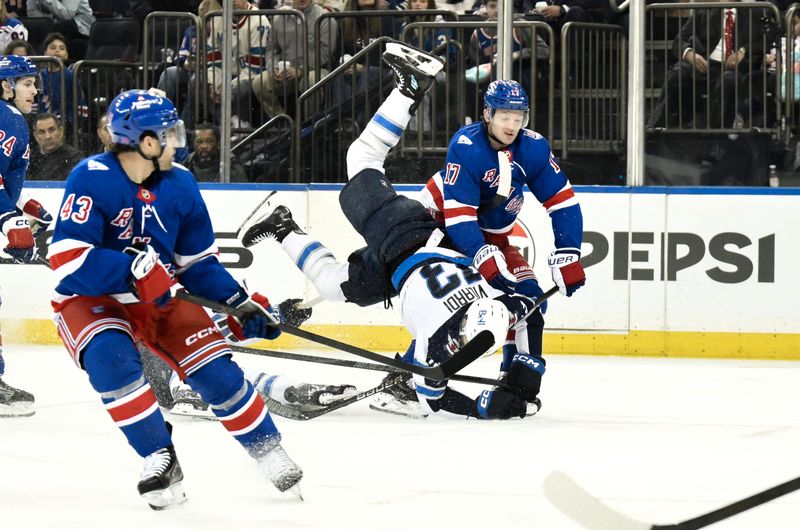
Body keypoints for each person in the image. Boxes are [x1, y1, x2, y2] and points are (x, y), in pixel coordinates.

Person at [241, 43, 552, 421]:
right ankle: (409, 87)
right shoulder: (449, 330)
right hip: (405, 234)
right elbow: (436, 395)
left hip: (403, 266)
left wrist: (515, 385)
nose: (462, 339)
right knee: (362, 159)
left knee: (332, 286)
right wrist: (497, 398)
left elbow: (524, 306)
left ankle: (283, 226)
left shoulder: (489, 304)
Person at [46, 89, 303, 509]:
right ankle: (158, 456)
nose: (177, 141)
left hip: (161, 298)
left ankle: (267, 449)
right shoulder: (91, 176)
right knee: (111, 361)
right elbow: (68, 258)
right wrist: (129, 271)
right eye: (168, 133)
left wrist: (238, 302)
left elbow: (196, 264)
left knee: (216, 373)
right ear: (146, 142)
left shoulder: (181, 185)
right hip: (94, 299)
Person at [0, 55, 53, 417]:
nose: (35, 90)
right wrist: (8, 219)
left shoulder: (14, 120)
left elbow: (5, 178)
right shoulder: (6, 119)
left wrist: (24, 204)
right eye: (27, 83)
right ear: (5, 86)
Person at [646, 3, 766, 129]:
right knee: (678, 73)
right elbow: (679, 41)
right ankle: (654, 126)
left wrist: (743, 50)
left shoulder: (754, 12)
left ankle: (705, 129)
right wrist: (690, 54)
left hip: (732, 68)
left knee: (729, 80)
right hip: (703, 63)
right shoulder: (703, 11)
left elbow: (766, 40)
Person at [27, 0, 94, 60]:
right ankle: (39, 65)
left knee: (65, 26)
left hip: (81, 26)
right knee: (36, 26)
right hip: (53, 23)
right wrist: (49, 20)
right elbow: (31, 12)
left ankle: (58, 65)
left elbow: (67, 15)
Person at [183, 122, 248, 182]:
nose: (204, 146)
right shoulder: (187, 164)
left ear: (218, 143)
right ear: (193, 144)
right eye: (199, 142)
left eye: (209, 141)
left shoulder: (232, 167)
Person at [28, 112, 84, 180]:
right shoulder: (29, 157)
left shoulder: (74, 157)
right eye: (42, 132)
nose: (47, 136)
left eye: (51, 130)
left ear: (61, 131)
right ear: (35, 136)